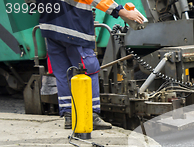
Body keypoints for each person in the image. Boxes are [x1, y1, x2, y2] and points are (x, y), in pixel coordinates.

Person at [38, 0, 144, 129]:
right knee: (89, 69)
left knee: (63, 73)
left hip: (50, 30)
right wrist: (122, 11)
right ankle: (91, 116)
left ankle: (69, 116)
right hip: (74, 29)